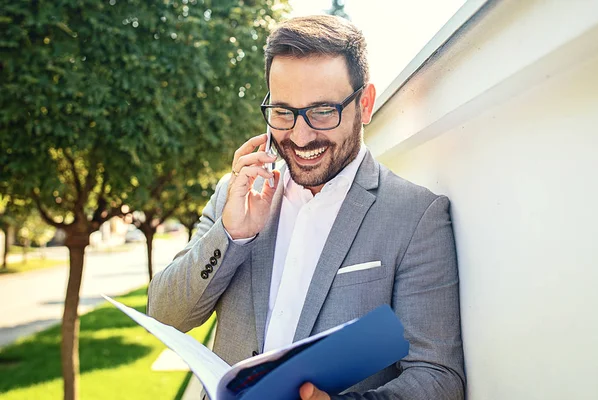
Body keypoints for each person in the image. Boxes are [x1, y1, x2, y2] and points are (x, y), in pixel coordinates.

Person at [148, 15, 465, 400]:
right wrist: (231, 234)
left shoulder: (416, 217)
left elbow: (438, 378)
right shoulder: (234, 194)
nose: (300, 136)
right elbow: (165, 315)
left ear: (364, 105)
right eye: (283, 112)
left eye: (321, 111)